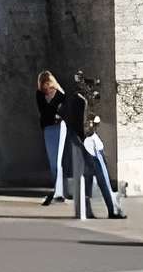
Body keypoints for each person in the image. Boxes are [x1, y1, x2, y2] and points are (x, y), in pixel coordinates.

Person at [66, 73, 124, 218]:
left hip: (84, 140)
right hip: (89, 141)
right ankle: (113, 209)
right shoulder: (81, 101)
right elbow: (84, 125)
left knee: (88, 176)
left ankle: (86, 209)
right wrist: (89, 131)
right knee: (101, 175)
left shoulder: (76, 101)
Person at [34, 69, 68, 203]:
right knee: (52, 161)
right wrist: (54, 110)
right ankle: (57, 189)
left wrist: (55, 111)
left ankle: (58, 192)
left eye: (47, 83)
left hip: (59, 127)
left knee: (58, 160)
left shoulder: (60, 94)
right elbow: (44, 111)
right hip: (48, 127)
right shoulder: (39, 95)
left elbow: (64, 112)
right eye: (43, 84)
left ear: (51, 82)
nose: (45, 87)